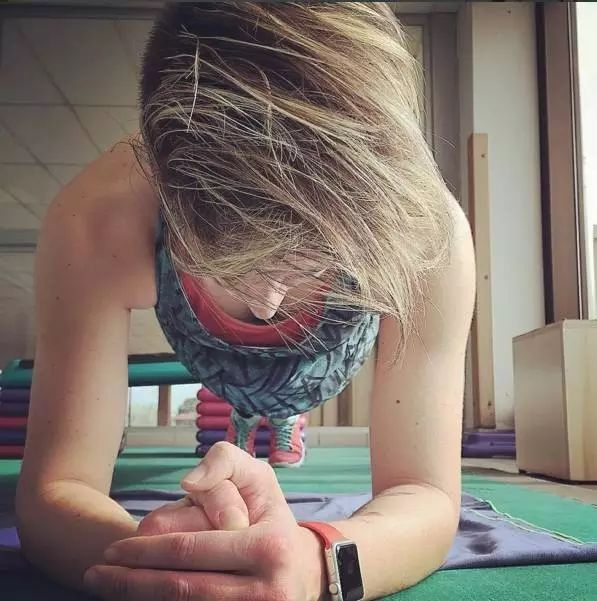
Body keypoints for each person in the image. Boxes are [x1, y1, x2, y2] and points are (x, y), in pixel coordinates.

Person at [15, 3, 475, 600]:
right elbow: (56, 489)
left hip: (327, 360)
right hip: (214, 364)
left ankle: (283, 418)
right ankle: (251, 416)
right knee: (240, 417)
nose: (267, 306)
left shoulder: (427, 236)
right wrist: (168, 564)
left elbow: (426, 492)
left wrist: (317, 563)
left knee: (274, 409)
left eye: (304, 263)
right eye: (228, 268)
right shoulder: (97, 217)